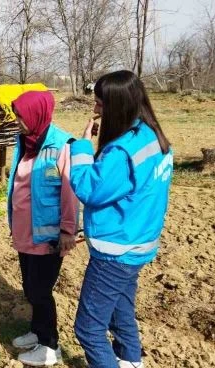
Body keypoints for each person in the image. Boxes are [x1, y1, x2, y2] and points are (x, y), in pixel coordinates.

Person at [70, 70, 173, 368]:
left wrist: (81, 147)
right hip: (139, 245)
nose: (95, 109)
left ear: (117, 106)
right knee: (121, 312)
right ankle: (130, 361)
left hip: (115, 252)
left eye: (100, 104)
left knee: (88, 329)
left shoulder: (122, 152)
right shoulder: (152, 137)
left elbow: (90, 189)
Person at [6, 91, 79, 366]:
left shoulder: (61, 145)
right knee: (30, 287)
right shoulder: (24, 142)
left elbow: (70, 193)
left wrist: (68, 231)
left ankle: (51, 347)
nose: (17, 122)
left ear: (36, 114)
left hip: (48, 237)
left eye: (21, 117)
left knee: (40, 290)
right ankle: (37, 331)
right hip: (25, 232)